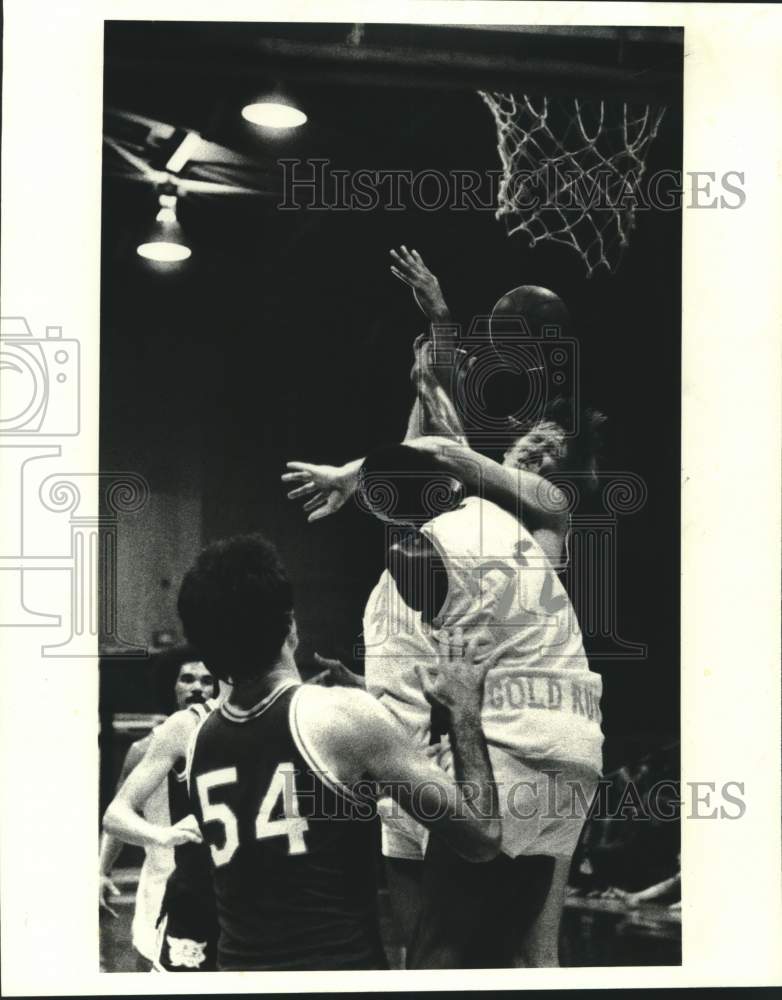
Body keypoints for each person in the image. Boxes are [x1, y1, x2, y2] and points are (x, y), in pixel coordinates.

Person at [282, 252, 605, 967]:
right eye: (534, 449)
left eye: (551, 455)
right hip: (454, 724)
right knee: (471, 947)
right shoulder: (469, 527)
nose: (539, 458)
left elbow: (439, 455)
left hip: (499, 739)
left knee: (459, 953)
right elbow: (436, 449)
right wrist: (438, 329)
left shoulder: (531, 523)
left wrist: (354, 467)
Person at [179, 533, 503, 971]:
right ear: (290, 623)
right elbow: (482, 836)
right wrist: (464, 710)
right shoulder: (343, 716)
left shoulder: (198, 739)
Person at [102, 657, 222, 971]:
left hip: (212, 892)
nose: (197, 687)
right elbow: (117, 816)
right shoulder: (143, 749)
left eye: (206, 680)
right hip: (159, 886)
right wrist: (102, 870)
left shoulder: (227, 743)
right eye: (187, 679)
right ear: (171, 685)